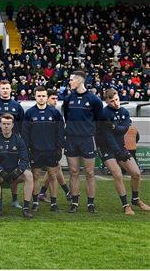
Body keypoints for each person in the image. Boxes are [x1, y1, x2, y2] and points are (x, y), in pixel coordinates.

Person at [97, 89, 150, 215]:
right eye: (112, 101)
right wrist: (117, 150)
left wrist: (115, 127)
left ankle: (136, 199)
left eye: (116, 99)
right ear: (107, 102)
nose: (115, 103)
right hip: (106, 148)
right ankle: (126, 205)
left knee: (136, 173)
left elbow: (124, 129)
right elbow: (108, 136)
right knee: (118, 174)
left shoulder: (124, 112)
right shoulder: (103, 114)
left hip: (120, 146)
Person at [63, 70, 103, 213]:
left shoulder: (94, 100)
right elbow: (66, 116)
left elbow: (99, 120)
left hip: (87, 139)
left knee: (90, 172)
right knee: (73, 171)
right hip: (72, 139)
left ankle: (90, 203)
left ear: (79, 81)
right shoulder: (68, 99)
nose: (70, 82)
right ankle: (74, 202)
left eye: (72, 80)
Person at [22, 86, 65, 212]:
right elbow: (25, 134)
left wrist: (59, 147)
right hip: (36, 151)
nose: (41, 98)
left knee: (53, 176)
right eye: (39, 96)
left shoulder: (55, 113)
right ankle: (35, 202)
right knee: (36, 176)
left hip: (52, 150)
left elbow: (60, 131)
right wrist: (27, 149)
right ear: (35, 96)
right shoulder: (29, 113)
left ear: (46, 97)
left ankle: (54, 203)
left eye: (43, 96)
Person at [0, 80, 25, 209]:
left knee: (13, 169)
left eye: (7, 88)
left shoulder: (17, 106)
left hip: (13, 143)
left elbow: (21, 125)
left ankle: (14, 200)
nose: (5, 90)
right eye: (3, 88)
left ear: (10, 90)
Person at [0, 114, 34, 218]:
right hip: (0, 171)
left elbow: (24, 159)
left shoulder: (19, 140)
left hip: (14, 171)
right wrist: (1, 171)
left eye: (8, 124)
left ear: (12, 125)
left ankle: (26, 209)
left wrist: (17, 172)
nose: (6, 126)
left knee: (29, 175)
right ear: (0, 125)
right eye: (4, 124)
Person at [36, 89, 72, 203]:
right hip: (46, 147)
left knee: (54, 169)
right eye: (53, 98)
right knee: (55, 169)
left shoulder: (55, 112)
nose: (55, 101)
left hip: (55, 145)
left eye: (56, 98)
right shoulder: (43, 111)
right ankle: (66, 191)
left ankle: (42, 192)